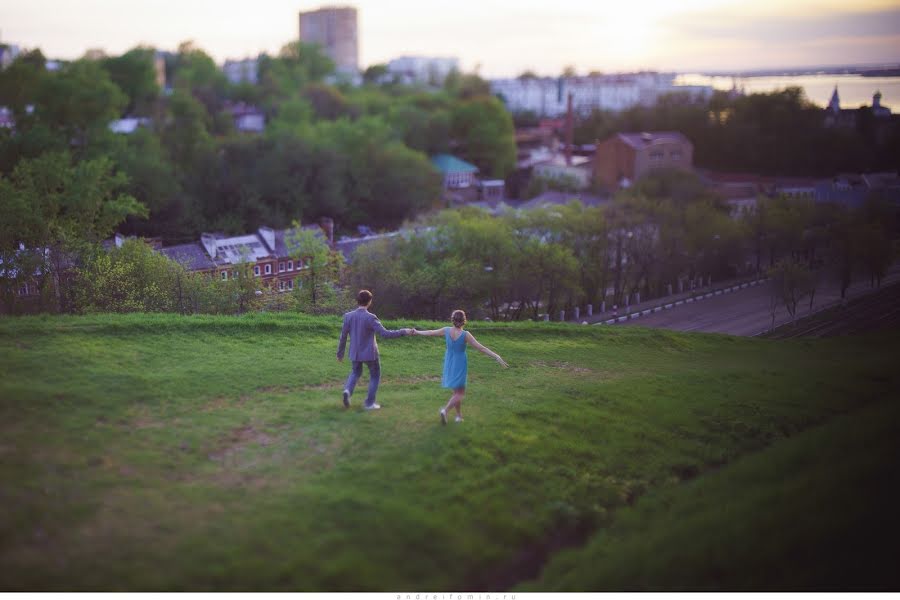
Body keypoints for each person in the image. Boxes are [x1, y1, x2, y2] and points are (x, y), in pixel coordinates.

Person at [413, 309, 508, 425]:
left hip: (449, 362)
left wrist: (417, 332)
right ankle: (445, 410)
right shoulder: (465, 335)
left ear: (453, 320)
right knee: (460, 393)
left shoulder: (446, 330)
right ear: (464, 321)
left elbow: (431, 332)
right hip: (459, 363)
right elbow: (481, 348)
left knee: (456, 393)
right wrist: (496, 356)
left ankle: (458, 416)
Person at [337, 290, 412, 410]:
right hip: (370, 354)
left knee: (355, 372)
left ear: (358, 301)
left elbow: (343, 336)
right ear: (369, 302)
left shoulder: (348, 316)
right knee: (375, 375)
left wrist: (340, 353)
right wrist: (404, 331)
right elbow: (385, 334)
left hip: (355, 353)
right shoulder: (371, 318)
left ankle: (347, 391)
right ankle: (369, 403)